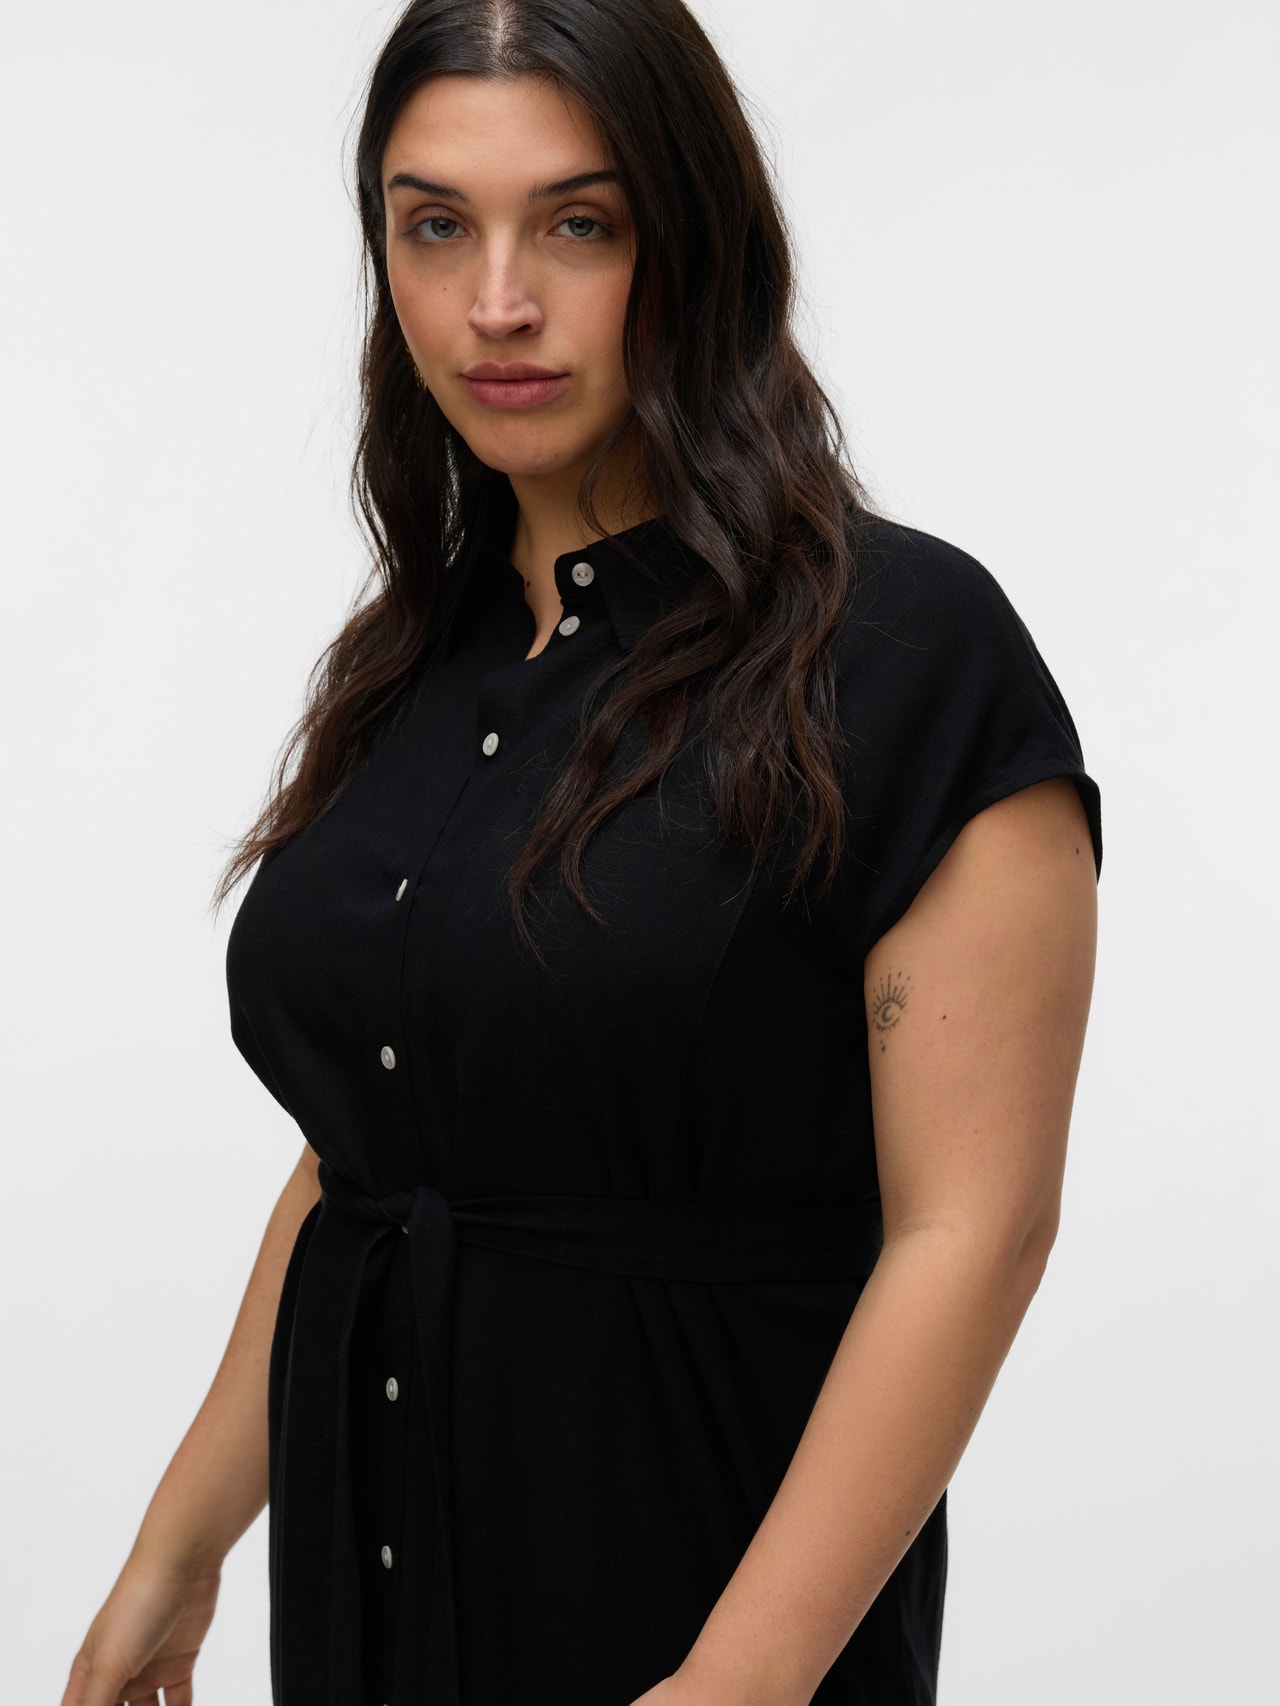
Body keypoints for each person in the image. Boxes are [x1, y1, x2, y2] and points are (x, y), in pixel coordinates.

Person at [61, 1, 1103, 1703]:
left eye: (579, 224)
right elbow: (370, 1153)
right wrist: (177, 1551)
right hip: (372, 1605)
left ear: (695, 239)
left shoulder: (908, 655)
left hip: (690, 1602)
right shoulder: (414, 663)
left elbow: (974, 1229)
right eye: (435, 226)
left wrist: (733, 1685)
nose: (498, 304)